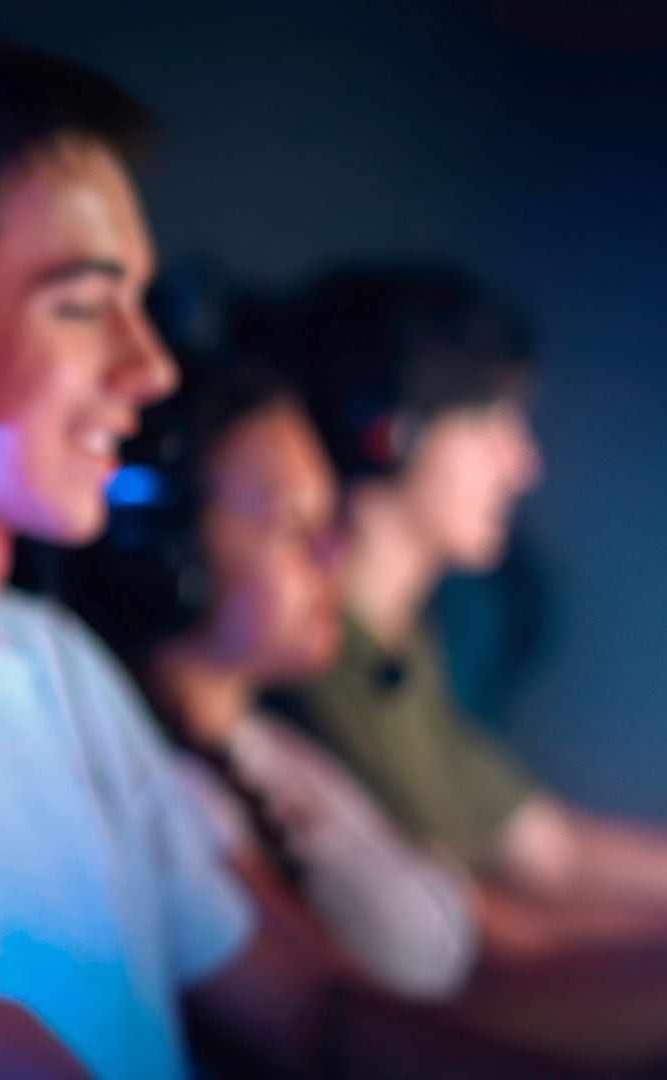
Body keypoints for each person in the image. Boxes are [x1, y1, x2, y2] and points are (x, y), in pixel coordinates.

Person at [0, 37, 568, 1080]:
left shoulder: (52, 657)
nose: (149, 370)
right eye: (79, 303)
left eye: (139, 306)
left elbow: (318, 1007)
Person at [266, 267, 667, 953]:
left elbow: (548, 848)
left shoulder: (403, 647)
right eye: (488, 420)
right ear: (387, 432)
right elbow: (492, 935)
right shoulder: (316, 659)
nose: (523, 463)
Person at [64, 361, 482, 1002]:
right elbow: (330, 1023)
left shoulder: (279, 750)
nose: (332, 557)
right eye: (295, 527)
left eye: (328, 526)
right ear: (174, 555)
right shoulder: (175, 796)